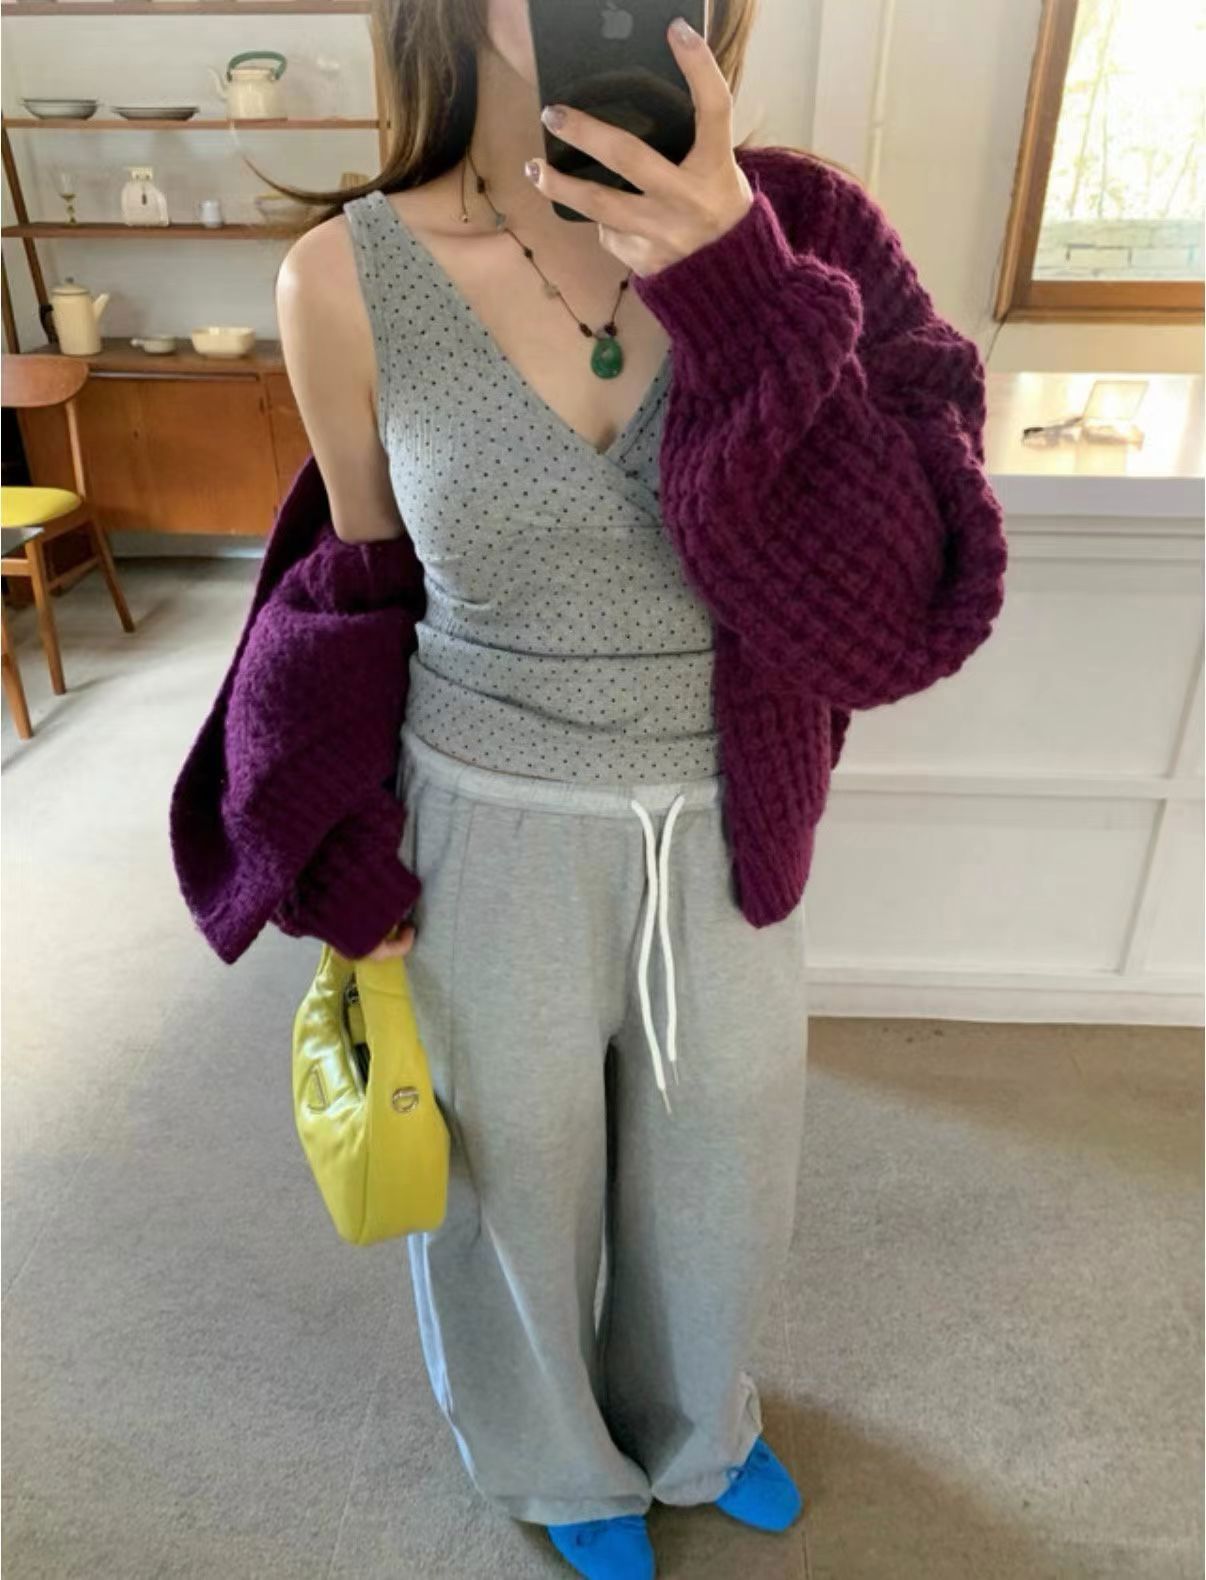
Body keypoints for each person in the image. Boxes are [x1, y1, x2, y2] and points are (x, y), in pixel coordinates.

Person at [269, 4, 1008, 1577]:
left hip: (731, 812)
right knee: (509, 1173)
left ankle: (698, 1427)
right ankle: (553, 1460)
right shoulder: (342, 278)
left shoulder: (809, 233)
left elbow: (900, 608)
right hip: (480, 818)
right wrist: (340, 844)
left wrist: (741, 281)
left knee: (724, 1164)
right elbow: (358, 582)